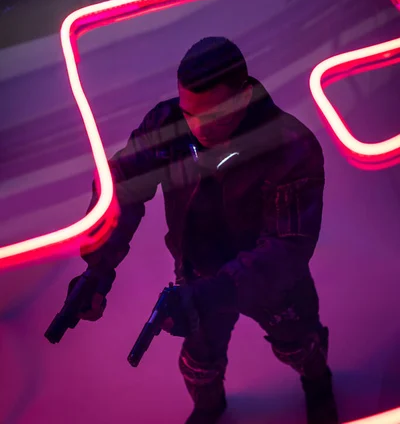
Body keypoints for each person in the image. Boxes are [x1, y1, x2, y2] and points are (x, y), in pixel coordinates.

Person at [66, 37, 339, 424]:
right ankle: (209, 407)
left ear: (243, 97)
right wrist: (97, 267)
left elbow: (287, 247)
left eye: (212, 115)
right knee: (199, 361)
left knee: (299, 342)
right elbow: (123, 185)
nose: (197, 127)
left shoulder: (290, 146)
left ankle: (318, 383)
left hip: (272, 279)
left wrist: (214, 292)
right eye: (189, 112)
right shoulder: (167, 126)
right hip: (197, 268)